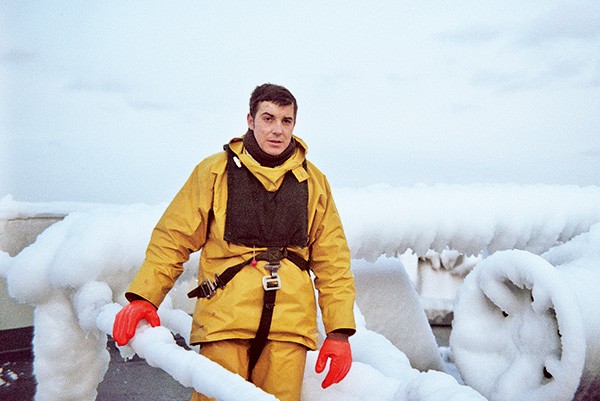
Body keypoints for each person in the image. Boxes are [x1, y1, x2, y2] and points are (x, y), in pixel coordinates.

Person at [112, 83, 356, 401]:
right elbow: (173, 237)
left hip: (289, 329)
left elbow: (332, 259)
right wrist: (144, 297)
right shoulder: (214, 173)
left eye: (286, 120)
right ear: (250, 120)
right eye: (268, 118)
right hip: (224, 322)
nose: (277, 129)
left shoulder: (314, 182)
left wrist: (339, 332)